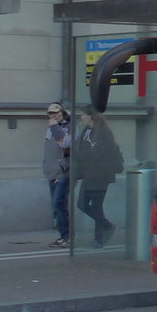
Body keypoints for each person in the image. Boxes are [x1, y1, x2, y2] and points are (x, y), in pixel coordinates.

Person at [72, 105, 123, 248]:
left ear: (90, 116)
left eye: (83, 114)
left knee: (96, 206)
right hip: (89, 173)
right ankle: (107, 225)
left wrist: (81, 155)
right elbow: (82, 150)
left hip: (100, 174)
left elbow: (98, 154)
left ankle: (99, 238)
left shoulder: (103, 132)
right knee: (82, 203)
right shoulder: (86, 130)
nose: (81, 117)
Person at [42, 102, 72, 248]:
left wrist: (54, 126)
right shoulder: (50, 128)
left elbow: (65, 143)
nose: (52, 115)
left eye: (55, 112)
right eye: (50, 113)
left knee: (59, 204)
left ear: (63, 112)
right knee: (57, 206)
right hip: (52, 172)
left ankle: (67, 236)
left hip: (63, 173)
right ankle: (63, 236)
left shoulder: (68, 127)